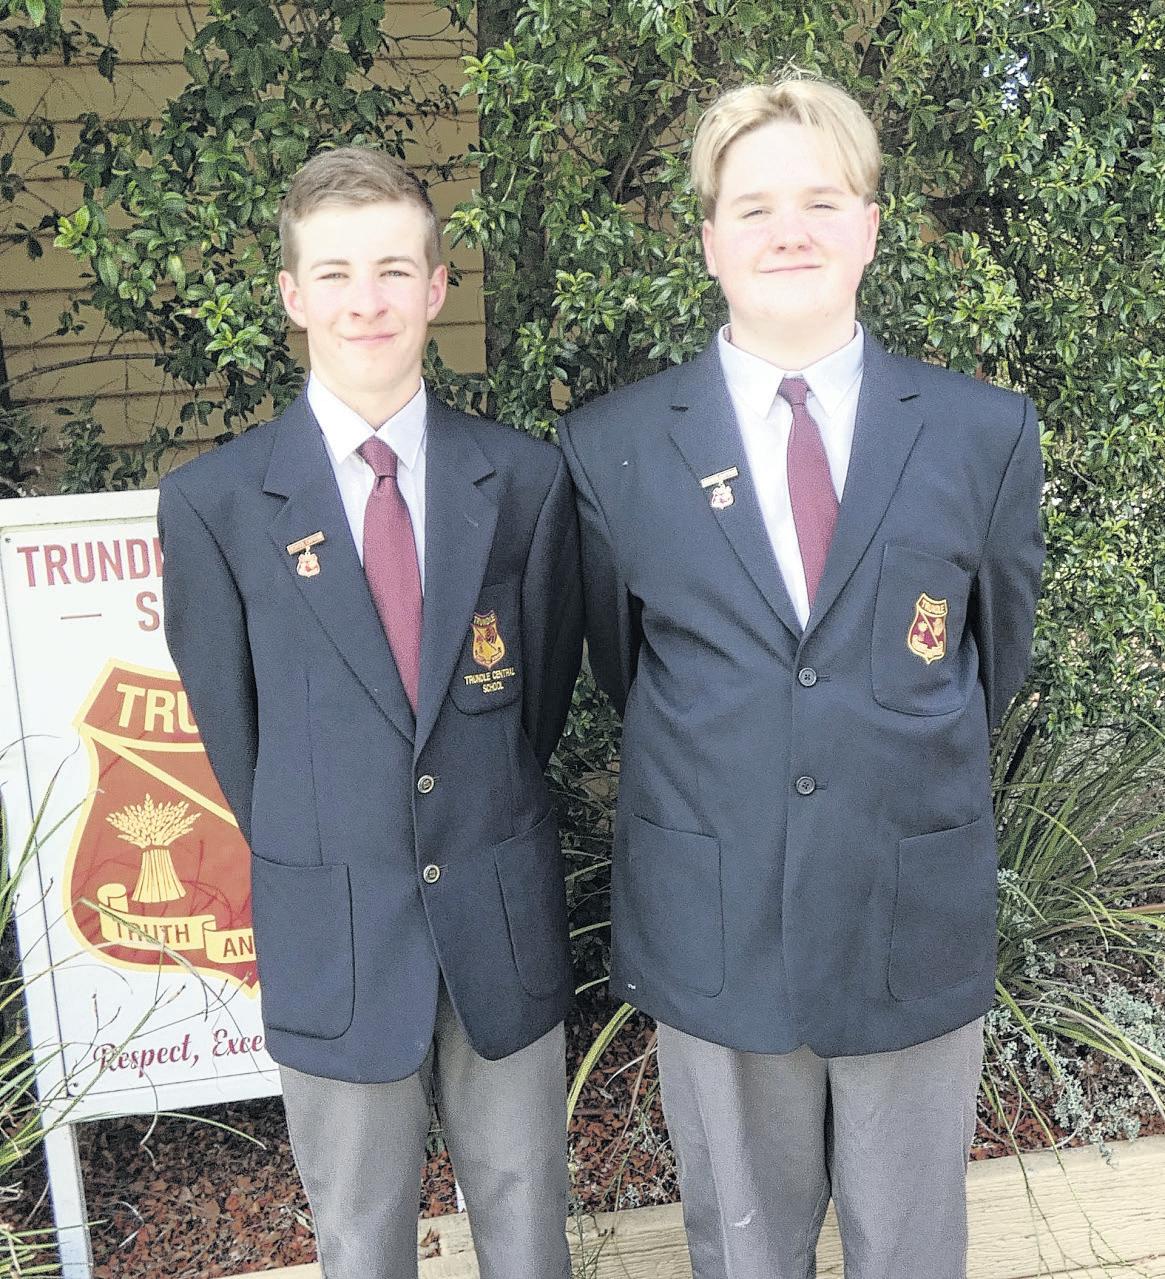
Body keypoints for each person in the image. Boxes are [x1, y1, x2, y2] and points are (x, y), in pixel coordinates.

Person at [557, 73, 1044, 1279]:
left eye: (821, 201)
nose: (790, 230)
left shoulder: (982, 434)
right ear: (708, 239)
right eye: (755, 206)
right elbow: (629, 668)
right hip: (713, 916)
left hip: (907, 913)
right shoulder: (614, 447)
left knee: (910, 1250)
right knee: (742, 1252)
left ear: (869, 226)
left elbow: (992, 660)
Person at [159, 146, 582, 1279]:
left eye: (394, 270)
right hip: (336, 935)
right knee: (357, 1240)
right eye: (335, 273)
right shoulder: (215, 505)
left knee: (529, 1228)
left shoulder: (522, 482)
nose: (367, 300)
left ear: (436, 287)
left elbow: (533, 707)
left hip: (497, 919)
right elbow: (238, 740)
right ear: (292, 296)